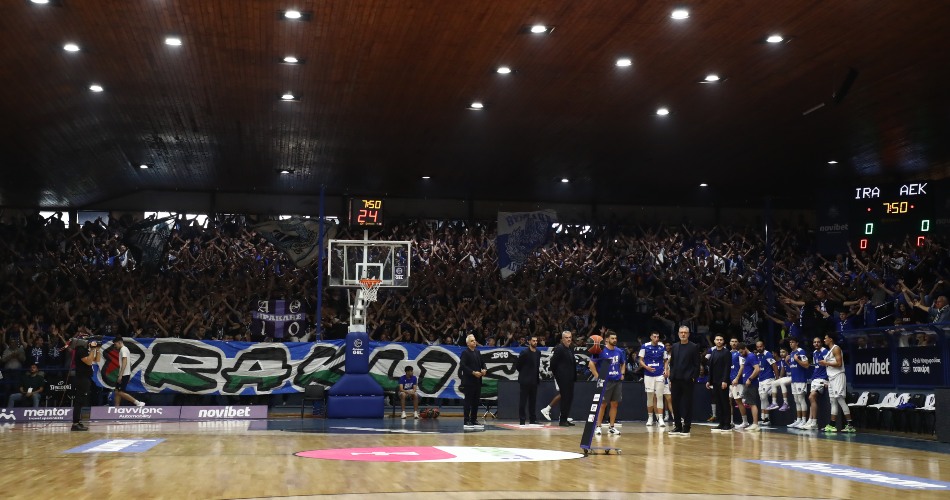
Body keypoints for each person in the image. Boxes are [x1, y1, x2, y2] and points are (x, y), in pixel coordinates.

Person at [665, 326, 701, 436]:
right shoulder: (675, 346)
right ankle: (677, 426)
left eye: (685, 332)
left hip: (688, 379)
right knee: (675, 403)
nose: (683, 334)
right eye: (681, 332)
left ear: (688, 334)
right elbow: (672, 364)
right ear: (678, 334)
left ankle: (686, 427)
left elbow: (697, 364)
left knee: (687, 403)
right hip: (675, 379)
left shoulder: (694, 347)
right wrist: (671, 378)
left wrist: (693, 377)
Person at [588, 330, 625, 435]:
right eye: (612, 338)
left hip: (616, 381)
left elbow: (623, 363)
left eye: (615, 338)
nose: (615, 340)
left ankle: (611, 427)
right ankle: (598, 426)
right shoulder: (600, 350)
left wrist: (622, 373)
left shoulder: (619, 351)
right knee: (603, 404)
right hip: (606, 381)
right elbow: (591, 363)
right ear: (607, 339)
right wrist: (597, 376)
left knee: (614, 404)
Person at [819, 333, 855, 433]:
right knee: (833, 401)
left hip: (838, 376)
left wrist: (825, 363)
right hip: (831, 378)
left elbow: (839, 363)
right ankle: (832, 425)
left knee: (840, 400)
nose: (824, 340)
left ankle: (850, 425)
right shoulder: (829, 351)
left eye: (825, 338)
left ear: (830, 339)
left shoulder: (836, 348)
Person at [639, 331, 668, 427]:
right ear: (651, 337)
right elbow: (640, 360)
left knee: (659, 396)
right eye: (654, 337)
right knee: (650, 396)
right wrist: (646, 367)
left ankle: (661, 419)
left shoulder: (662, 346)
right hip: (648, 375)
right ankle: (650, 418)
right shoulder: (644, 346)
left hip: (659, 374)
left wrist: (666, 370)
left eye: (658, 337)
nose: (656, 339)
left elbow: (665, 360)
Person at [71, 338, 100, 431]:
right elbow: (89, 362)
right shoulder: (80, 350)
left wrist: (97, 350)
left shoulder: (85, 350)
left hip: (86, 378)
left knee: (82, 401)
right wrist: (92, 350)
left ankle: (78, 422)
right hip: (81, 378)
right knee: (79, 401)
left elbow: (97, 359)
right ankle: (75, 424)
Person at [549, 330, 577, 427]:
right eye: (566, 337)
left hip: (570, 378)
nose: (569, 339)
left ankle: (565, 418)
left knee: (569, 398)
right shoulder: (559, 348)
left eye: (570, 337)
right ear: (562, 339)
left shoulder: (570, 348)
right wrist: (558, 375)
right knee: (565, 398)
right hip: (563, 378)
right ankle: (562, 421)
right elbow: (552, 364)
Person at [459, 334, 487, 429]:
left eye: (474, 340)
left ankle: (474, 419)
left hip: (477, 381)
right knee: (468, 401)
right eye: (472, 341)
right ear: (468, 343)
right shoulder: (465, 353)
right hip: (469, 381)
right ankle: (466, 420)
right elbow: (462, 366)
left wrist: (484, 369)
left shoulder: (477, 352)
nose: (474, 342)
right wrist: (473, 372)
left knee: (476, 401)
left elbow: (483, 363)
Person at [801, 337, 829, 430]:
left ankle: (814, 422)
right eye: (814, 342)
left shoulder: (825, 352)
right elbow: (816, 367)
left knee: (811, 397)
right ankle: (810, 420)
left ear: (821, 343)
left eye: (818, 342)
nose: (816, 344)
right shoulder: (814, 353)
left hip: (822, 379)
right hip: (815, 379)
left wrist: (829, 380)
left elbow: (829, 365)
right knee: (812, 399)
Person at [706, 335, 732, 432]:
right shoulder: (713, 352)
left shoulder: (726, 352)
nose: (719, 341)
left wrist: (725, 380)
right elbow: (711, 368)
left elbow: (727, 367)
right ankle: (721, 423)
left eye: (721, 340)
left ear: (723, 341)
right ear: (714, 341)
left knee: (725, 402)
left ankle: (727, 424)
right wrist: (709, 380)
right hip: (715, 381)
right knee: (718, 403)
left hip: (723, 381)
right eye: (717, 340)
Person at [112, 337, 145, 408]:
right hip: (125, 373)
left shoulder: (123, 350)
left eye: (115, 344)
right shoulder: (125, 349)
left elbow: (125, 362)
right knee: (117, 391)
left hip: (123, 374)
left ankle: (138, 403)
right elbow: (129, 363)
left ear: (119, 342)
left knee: (120, 392)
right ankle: (116, 407)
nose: (115, 346)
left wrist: (120, 375)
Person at [516, 335, 541, 426]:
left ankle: (532, 419)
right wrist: (524, 374)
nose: (535, 342)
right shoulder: (524, 352)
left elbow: (537, 366)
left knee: (533, 401)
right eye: (533, 340)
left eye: (536, 341)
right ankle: (522, 420)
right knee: (523, 401)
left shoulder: (538, 352)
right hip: (525, 380)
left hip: (534, 380)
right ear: (529, 341)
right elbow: (518, 366)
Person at [785, 338, 810, 428]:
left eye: (792, 342)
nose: (791, 344)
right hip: (794, 380)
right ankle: (798, 420)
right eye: (790, 342)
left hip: (800, 379)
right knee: (796, 401)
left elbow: (806, 365)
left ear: (797, 343)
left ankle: (804, 420)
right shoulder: (792, 353)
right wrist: (787, 362)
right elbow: (793, 366)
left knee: (801, 399)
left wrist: (797, 360)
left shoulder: (801, 351)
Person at [736, 342, 761, 432]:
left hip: (752, 383)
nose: (741, 354)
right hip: (748, 383)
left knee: (752, 403)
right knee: (750, 403)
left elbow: (757, 369)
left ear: (745, 348)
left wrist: (750, 379)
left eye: (741, 352)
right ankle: (754, 424)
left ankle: (755, 424)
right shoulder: (747, 357)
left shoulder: (751, 356)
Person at [754, 340, 778, 425]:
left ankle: (767, 418)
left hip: (768, 378)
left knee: (764, 396)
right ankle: (763, 417)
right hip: (760, 379)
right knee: (762, 398)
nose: (759, 348)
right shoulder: (757, 355)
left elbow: (774, 365)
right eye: (757, 347)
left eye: (760, 346)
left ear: (763, 346)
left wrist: (777, 378)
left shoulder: (768, 354)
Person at [728, 337, 748, 429]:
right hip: (729, 381)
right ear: (729, 343)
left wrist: (736, 378)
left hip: (737, 382)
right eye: (732, 341)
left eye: (736, 341)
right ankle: (730, 421)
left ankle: (745, 422)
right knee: (728, 402)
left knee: (738, 401)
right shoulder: (727, 353)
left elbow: (742, 367)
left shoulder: (740, 354)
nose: (734, 343)